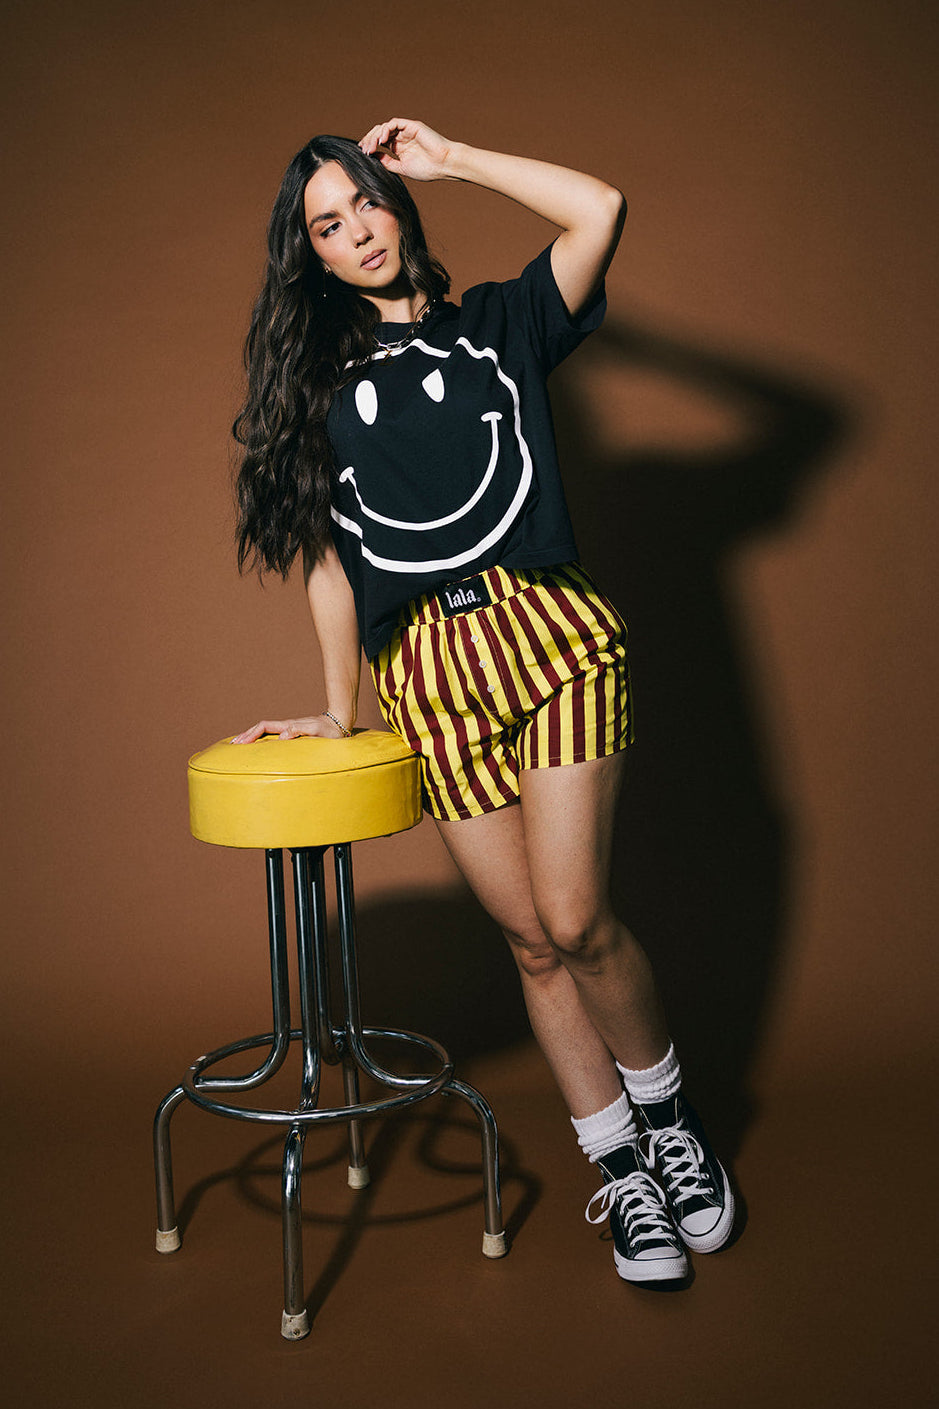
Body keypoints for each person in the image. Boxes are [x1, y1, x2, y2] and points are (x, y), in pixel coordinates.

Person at [231, 118, 735, 1284]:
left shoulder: (502, 324)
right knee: (529, 941)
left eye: (367, 202)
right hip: (431, 676)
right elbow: (329, 562)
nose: (357, 231)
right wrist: (343, 710)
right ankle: (621, 1168)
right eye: (328, 224)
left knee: (575, 918)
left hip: (550, 637)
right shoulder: (320, 388)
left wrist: (452, 157)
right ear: (306, 255)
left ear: (401, 207)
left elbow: (599, 204)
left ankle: (670, 1124)